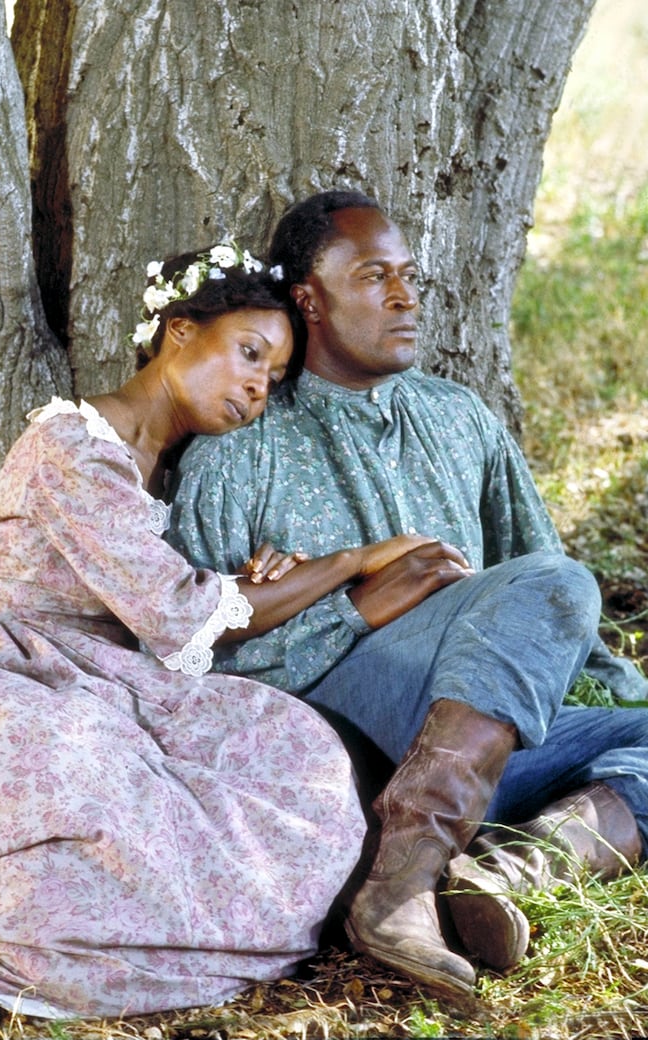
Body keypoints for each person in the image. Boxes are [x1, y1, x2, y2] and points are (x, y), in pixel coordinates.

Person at [0, 240, 444, 1020]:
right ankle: (62, 945)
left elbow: (191, 599)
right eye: (249, 354)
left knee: (294, 757)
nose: (257, 387)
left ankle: (309, 913)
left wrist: (261, 574)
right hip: (19, 678)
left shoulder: (175, 465)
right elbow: (179, 612)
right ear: (179, 332)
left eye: (271, 379)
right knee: (88, 800)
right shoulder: (71, 446)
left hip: (119, 684)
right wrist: (353, 561)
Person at [168, 192, 648, 1001]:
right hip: (339, 738)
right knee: (555, 584)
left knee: (554, 598)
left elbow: (534, 573)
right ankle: (401, 886)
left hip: (480, 733)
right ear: (309, 300)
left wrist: (618, 688)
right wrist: (360, 605)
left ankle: (508, 872)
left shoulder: (460, 418)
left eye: (409, 276)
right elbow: (194, 656)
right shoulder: (241, 444)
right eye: (373, 277)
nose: (405, 296)